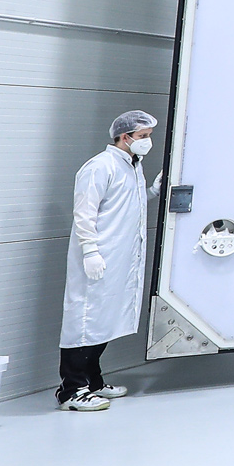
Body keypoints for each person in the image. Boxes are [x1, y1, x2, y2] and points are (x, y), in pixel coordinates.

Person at [58, 110, 162, 412]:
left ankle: (93, 381)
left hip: (118, 258)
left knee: (104, 320)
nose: (147, 142)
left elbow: (128, 203)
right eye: (143, 137)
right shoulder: (99, 167)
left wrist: (153, 190)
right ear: (124, 137)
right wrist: (90, 251)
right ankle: (71, 391)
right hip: (98, 257)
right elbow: (84, 212)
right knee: (84, 319)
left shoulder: (131, 166)